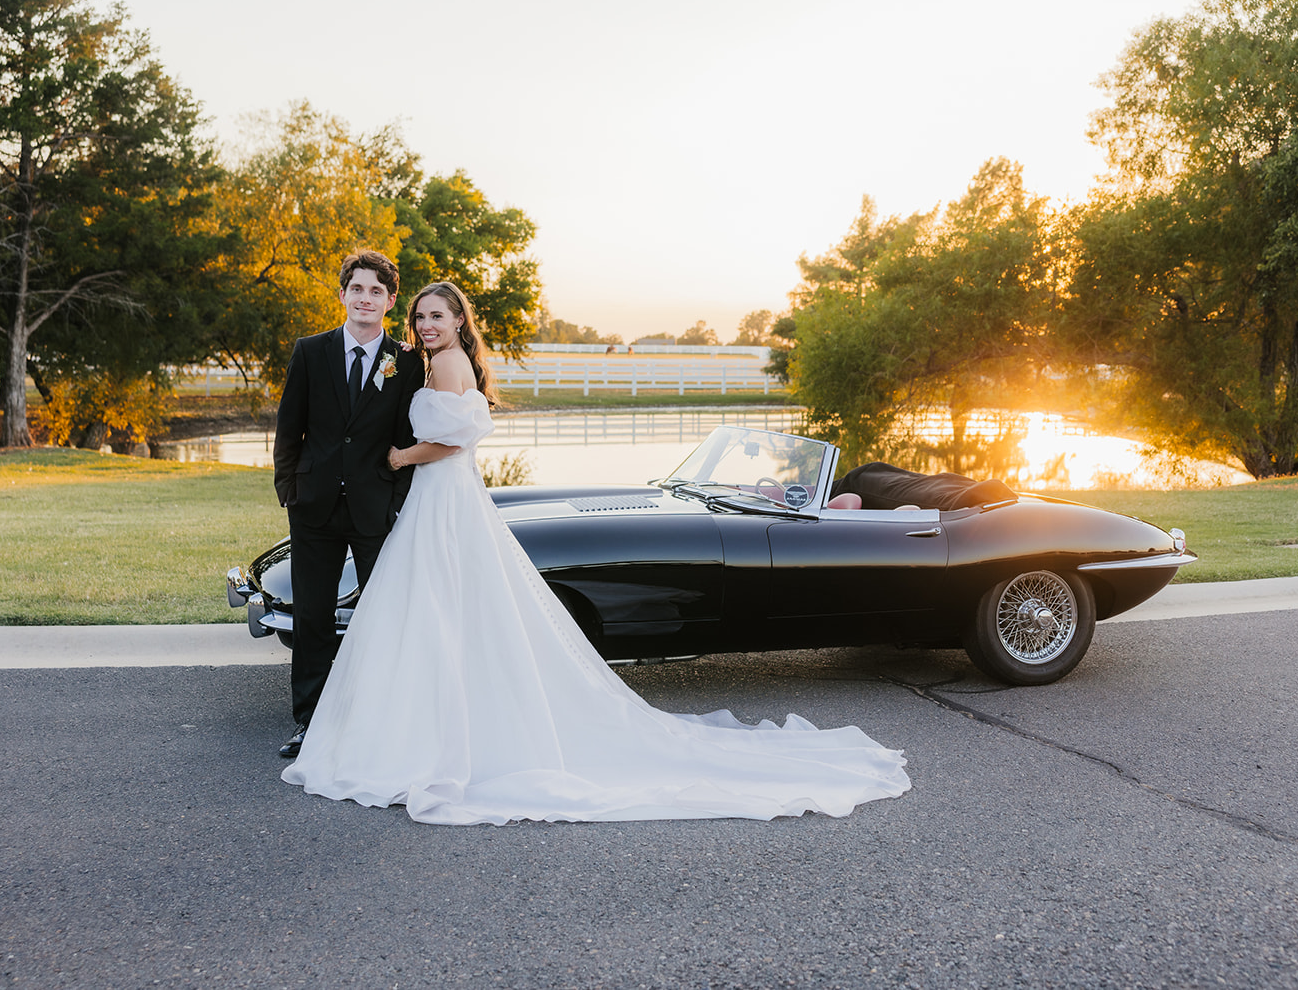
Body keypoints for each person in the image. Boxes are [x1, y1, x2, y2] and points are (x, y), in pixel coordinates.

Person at [281, 281, 911, 824]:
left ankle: (426, 734)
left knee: (438, 607)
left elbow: (453, 442)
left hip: (442, 493)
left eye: (435, 317)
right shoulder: (426, 362)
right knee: (440, 609)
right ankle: (425, 724)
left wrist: (399, 456)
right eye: (419, 317)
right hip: (437, 501)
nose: (425, 325)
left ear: (457, 322)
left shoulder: (447, 366)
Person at [271, 249, 427, 758]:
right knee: (313, 617)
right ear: (342, 295)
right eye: (356, 288)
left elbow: (407, 437)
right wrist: (290, 491)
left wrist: (395, 502)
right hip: (313, 508)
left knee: (381, 616)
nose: (365, 298)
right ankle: (310, 723)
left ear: (390, 300)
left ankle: (376, 720)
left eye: (375, 291)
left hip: (374, 509)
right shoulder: (310, 352)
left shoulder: (405, 362)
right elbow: (288, 430)